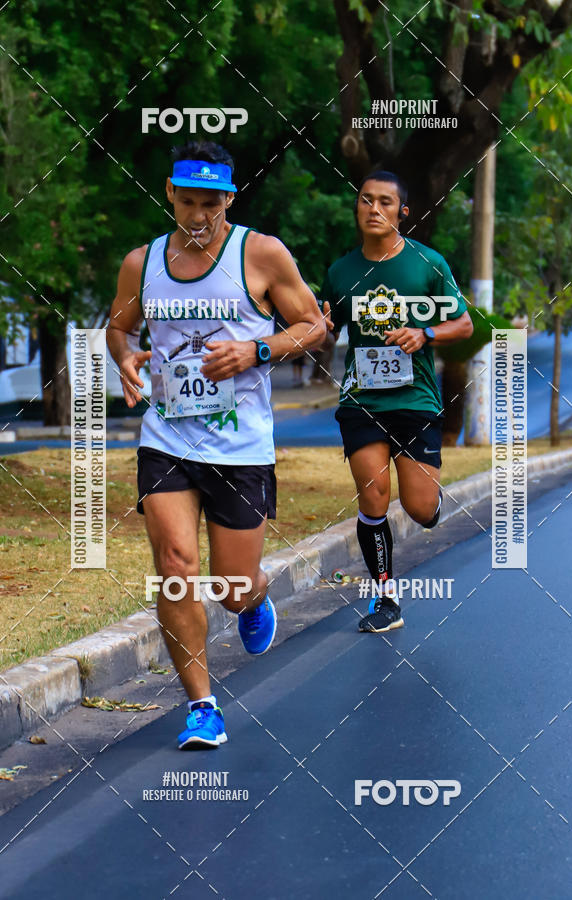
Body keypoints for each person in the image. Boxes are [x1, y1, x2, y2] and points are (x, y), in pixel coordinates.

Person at [107, 140, 324, 748]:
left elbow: (312, 325)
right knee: (175, 569)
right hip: (166, 438)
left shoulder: (261, 254)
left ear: (230, 198)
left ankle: (254, 599)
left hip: (241, 448)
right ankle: (202, 705)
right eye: (188, 202)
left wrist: (255, 350)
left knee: (231, 588)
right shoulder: (142, 263)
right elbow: (119, 327)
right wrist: (126, 359)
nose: (199, 216)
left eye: (212, 204)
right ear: (170, 195)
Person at [321, 171, 473, 633]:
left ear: (401, 212)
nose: (373, 208)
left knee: (419, 508)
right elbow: (325, 329)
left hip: (416, 398)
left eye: (385, 202)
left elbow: (464, 325)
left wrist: (424, 332)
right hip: (362, 400)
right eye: (366, 200)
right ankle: (386, 599)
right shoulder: (340, 271)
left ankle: (429, 503)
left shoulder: (426, 264)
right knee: (374, 497)